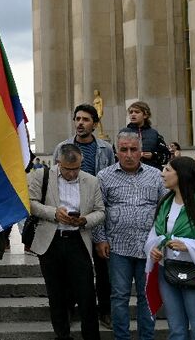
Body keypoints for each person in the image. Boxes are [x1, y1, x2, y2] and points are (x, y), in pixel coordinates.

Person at [92, 131, 167, 340]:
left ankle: (146, 337)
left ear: (141, 151)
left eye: (133, 149)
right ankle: (121, 337)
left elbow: (165, 210)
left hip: (149, 248)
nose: (129, 154)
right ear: (116, 151)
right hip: (117, 248)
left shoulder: (156, 175)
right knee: (119, 296)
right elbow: (99, 209)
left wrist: (162, 241)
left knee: (147, 296)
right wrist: (100, 238)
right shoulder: (104, 176)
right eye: (123, 149)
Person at [29, 144, 105, 340]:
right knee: (56, 295)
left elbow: (100, 211)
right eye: (67, 169)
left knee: (86, 294)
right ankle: (62, 335)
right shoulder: (42, 176)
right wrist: (54, 213)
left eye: (76, 169)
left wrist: (84, 220)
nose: (72, 173)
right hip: (51, 242)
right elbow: (31, 203)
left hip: (78, 241)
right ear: (58, 164)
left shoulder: (91, 181)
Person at [52, 104, 116, 329]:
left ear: (94, 124)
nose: (80, 123)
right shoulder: (62, 147)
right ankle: (69, 308)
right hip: (69, 216)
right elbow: (54, 181)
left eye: (86, 119)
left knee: (102, 266)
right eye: (77, 118)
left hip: (95, 213)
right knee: (69, 269)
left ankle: (105, 309)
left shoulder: (106, 149)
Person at [145, 157, 195, 340]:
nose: (162, 173)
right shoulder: (165, 202)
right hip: (167, 271)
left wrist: (188, 245)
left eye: (167, 170)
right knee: (176, 329)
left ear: (181, 174)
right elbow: (156, 234)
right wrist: (154, 249)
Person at [119, 101, 171, 170]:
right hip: (128, 173)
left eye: (137, 112)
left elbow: (166, 156)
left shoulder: (154, 134)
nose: (133, 114)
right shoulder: (123, 133)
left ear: (145, 115)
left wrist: (153, 156)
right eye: (131, 112)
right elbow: (115, 155)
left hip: (151, 174)